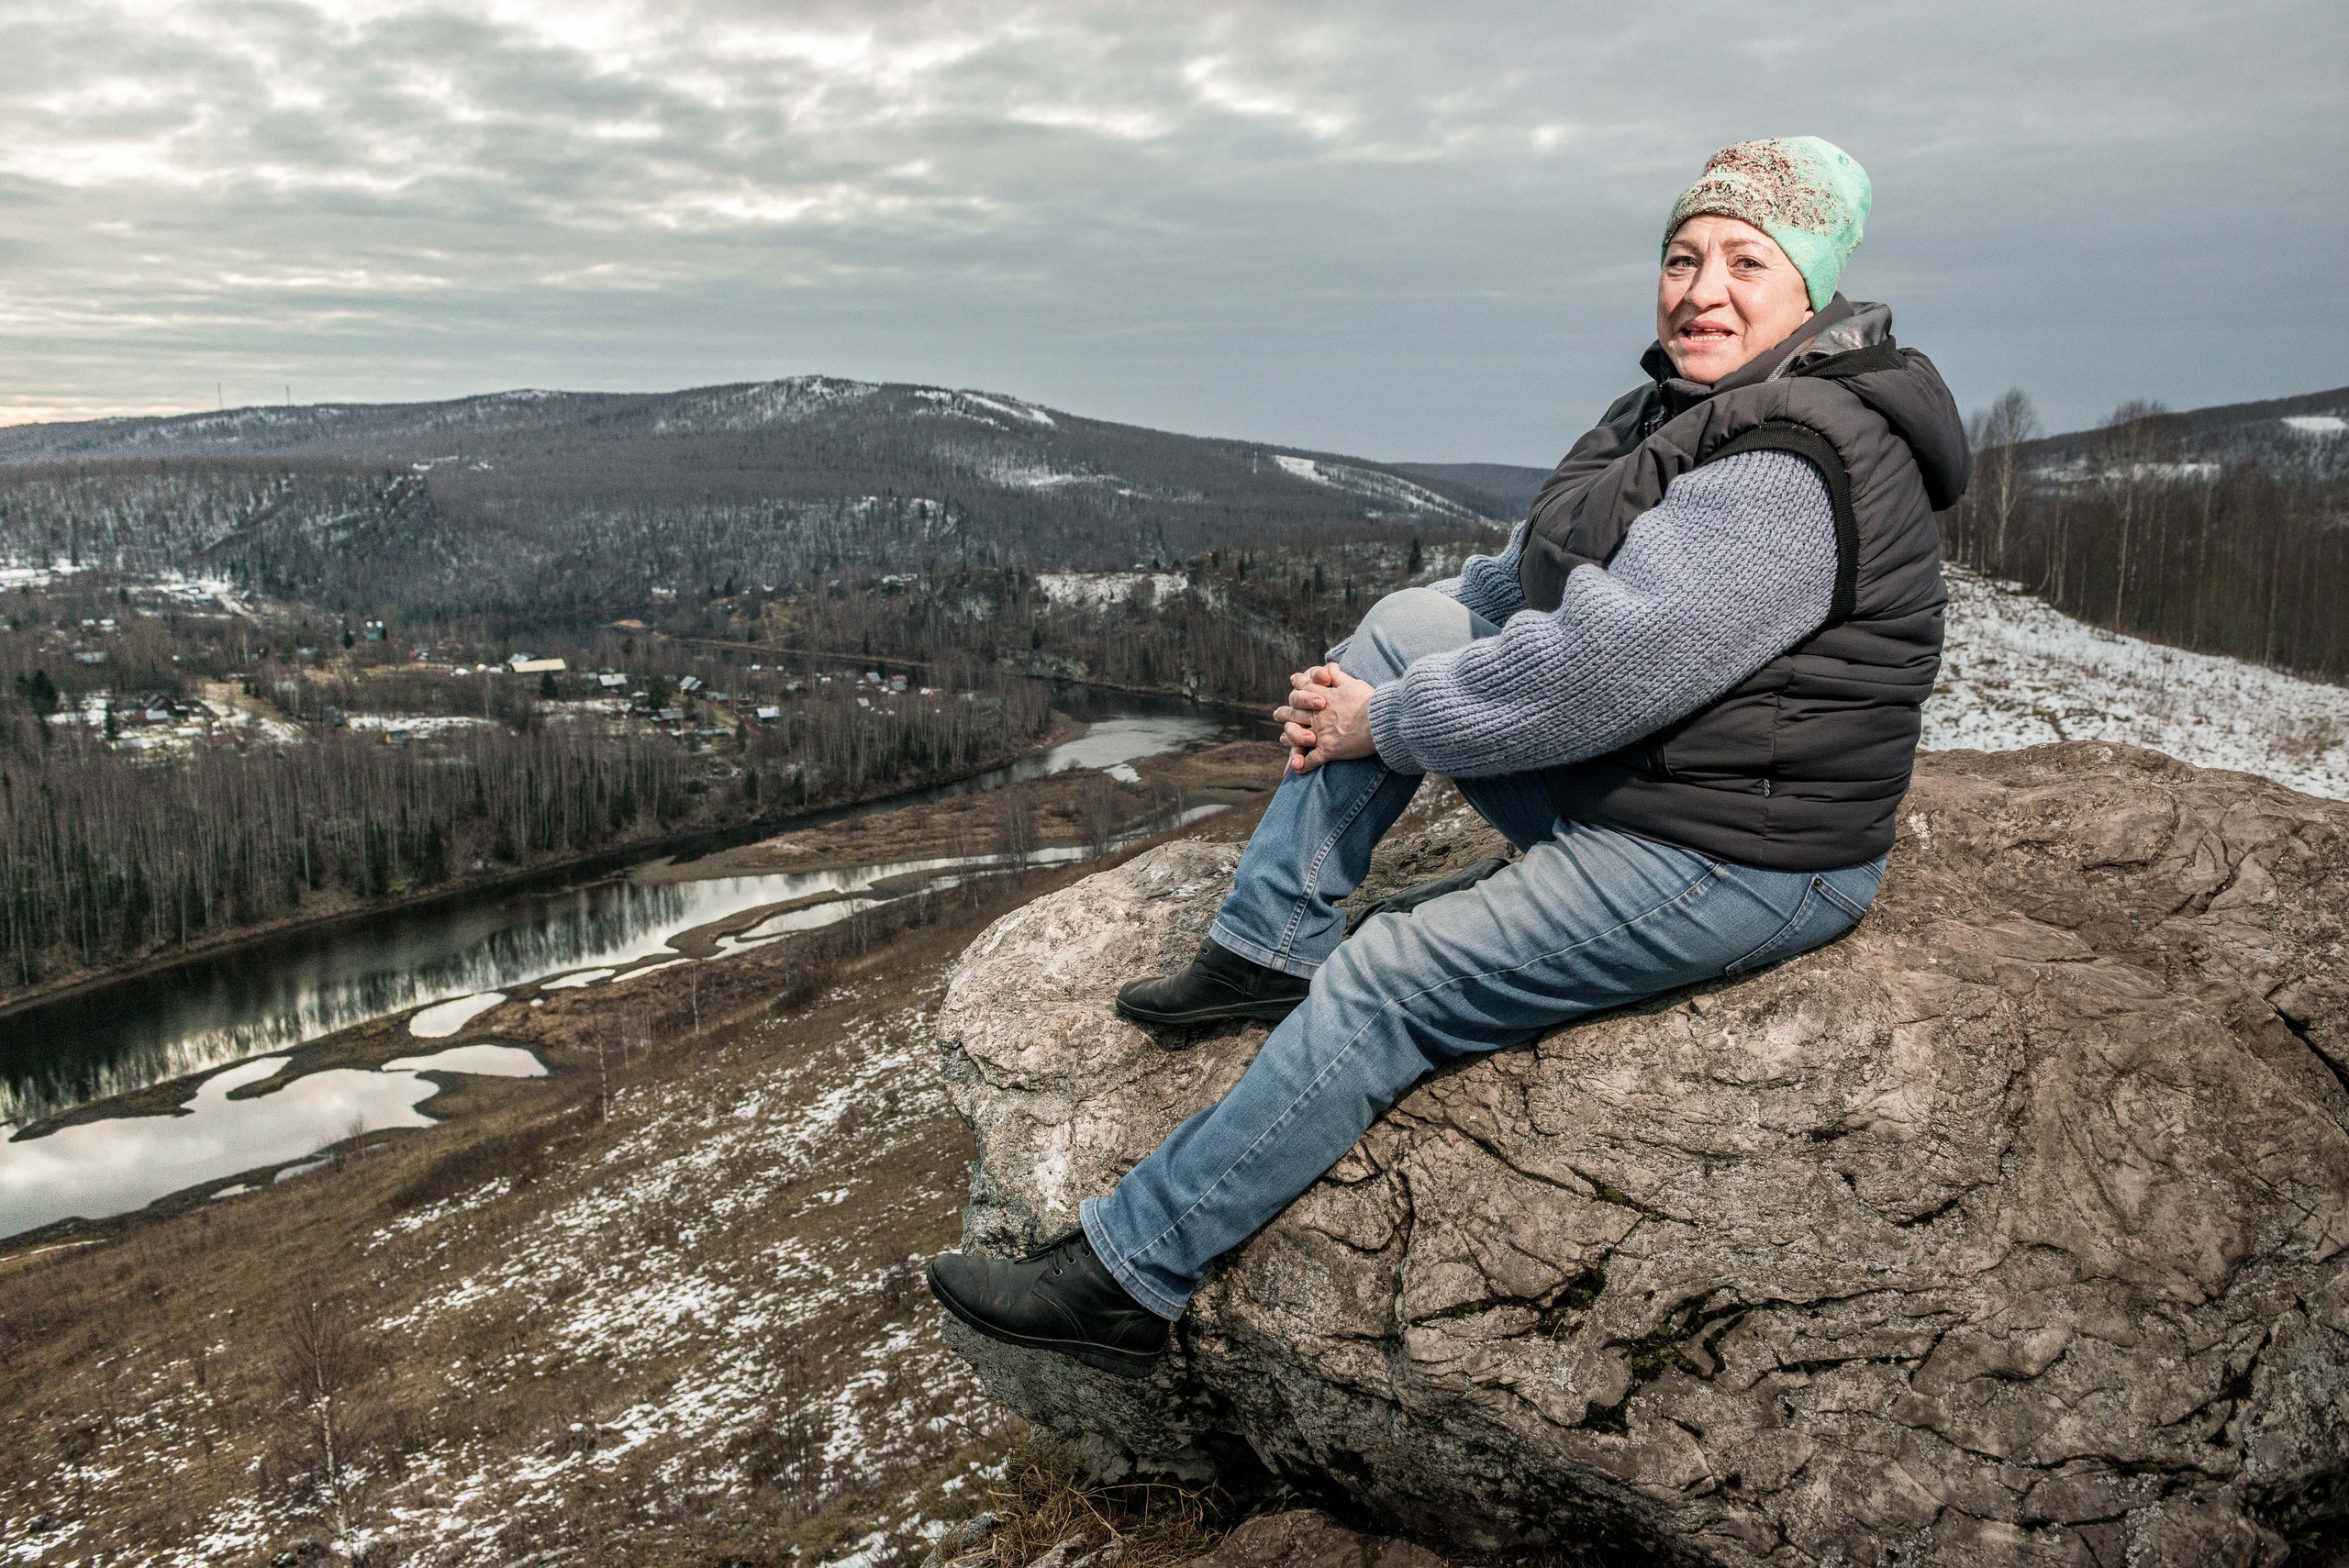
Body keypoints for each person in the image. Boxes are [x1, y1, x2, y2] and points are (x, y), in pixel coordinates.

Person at [928, 137, 1968, 1378]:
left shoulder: (1798, 458)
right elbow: (1538, 569)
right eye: (1684, 255)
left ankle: (1128, 1275)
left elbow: (1599, 670)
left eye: (1747, 259)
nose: (1703, 288)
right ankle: (1264, 949)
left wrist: (1388, 723)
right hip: (1664, 775)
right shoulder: (1688, 404)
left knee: (1391, 975)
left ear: (1813, 289)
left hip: (1740, 845)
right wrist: (1382, 663)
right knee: (1401, 634)